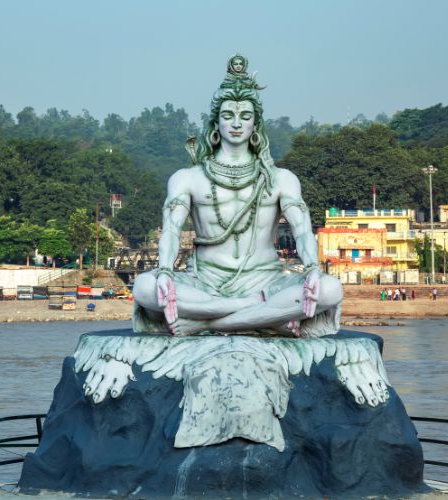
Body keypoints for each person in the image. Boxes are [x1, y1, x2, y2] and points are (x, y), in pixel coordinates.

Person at [132, 55, 342, 337]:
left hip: (266, 280)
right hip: (204, 282)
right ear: (215, 123)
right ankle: (258, 314)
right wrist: (166, 271)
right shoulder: (188, 178)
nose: (236, 124)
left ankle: (209, 322)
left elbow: (303, 230)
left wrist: (313, 268)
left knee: (330, 289)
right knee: (144, 288)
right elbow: (170, 230)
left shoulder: (280, 179)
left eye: (245, 117)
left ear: (256, 124)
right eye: (227, 116)